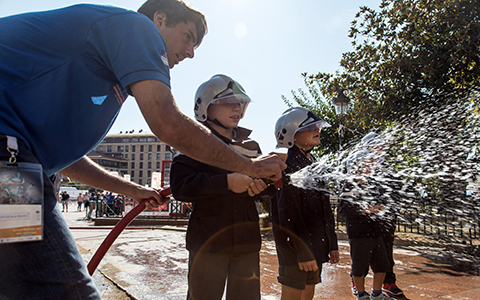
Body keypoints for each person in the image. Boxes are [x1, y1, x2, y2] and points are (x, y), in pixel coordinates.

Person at [0, 1, 286, 299]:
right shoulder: (136, 27)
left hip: (15, 161)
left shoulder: (106, 73)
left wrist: (129, 188)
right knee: (64, 291)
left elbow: (64, 159)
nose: (190, 53)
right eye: (188, 36)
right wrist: (251, 167)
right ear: (159, 19)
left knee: (21, 284)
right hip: (9, 166)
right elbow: (167, 122)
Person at [171, 75, 270, 300]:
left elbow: (270, 187)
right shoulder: (193, 140)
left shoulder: (250, 145)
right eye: (228, 103)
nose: (237, 108)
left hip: (246, 241)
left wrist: (263, 187)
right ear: (205, 107)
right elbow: (180, 187)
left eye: (240, 103)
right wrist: (226, 182)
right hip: (208, 242)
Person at [272, 107, 340, 300]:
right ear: (292, 135)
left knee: (309, 292)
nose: (317, 130)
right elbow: (288, 213)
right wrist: (303, 251)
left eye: (317, 126)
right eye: (310, 127)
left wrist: (331, 243)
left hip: (314, 243)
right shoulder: (288, 166)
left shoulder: (313, 163)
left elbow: (325, 207)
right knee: (293, 294)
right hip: (295, 247)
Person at [339, 150, 394, 300]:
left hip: (375, 231)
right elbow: (342, 209)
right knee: (359, 266)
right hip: (359, 233)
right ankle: (362, 295)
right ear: (358, 165)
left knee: (382, 264)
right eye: (368, 163)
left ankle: (377, 294)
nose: (372, 166)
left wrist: (381, 207)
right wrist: (364, 210)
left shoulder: (373, 184)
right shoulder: (350, 185)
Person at [357, 133, 404, 298]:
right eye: (375, 146)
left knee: (386, 250)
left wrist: (391, 207)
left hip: (386, 216)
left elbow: (395, 189)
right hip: (367, 218)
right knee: (362, 251)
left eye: (380, 146)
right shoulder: (361, 167)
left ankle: (388, 281)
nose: (379, 149)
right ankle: (357, 282)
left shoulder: (387, 167)